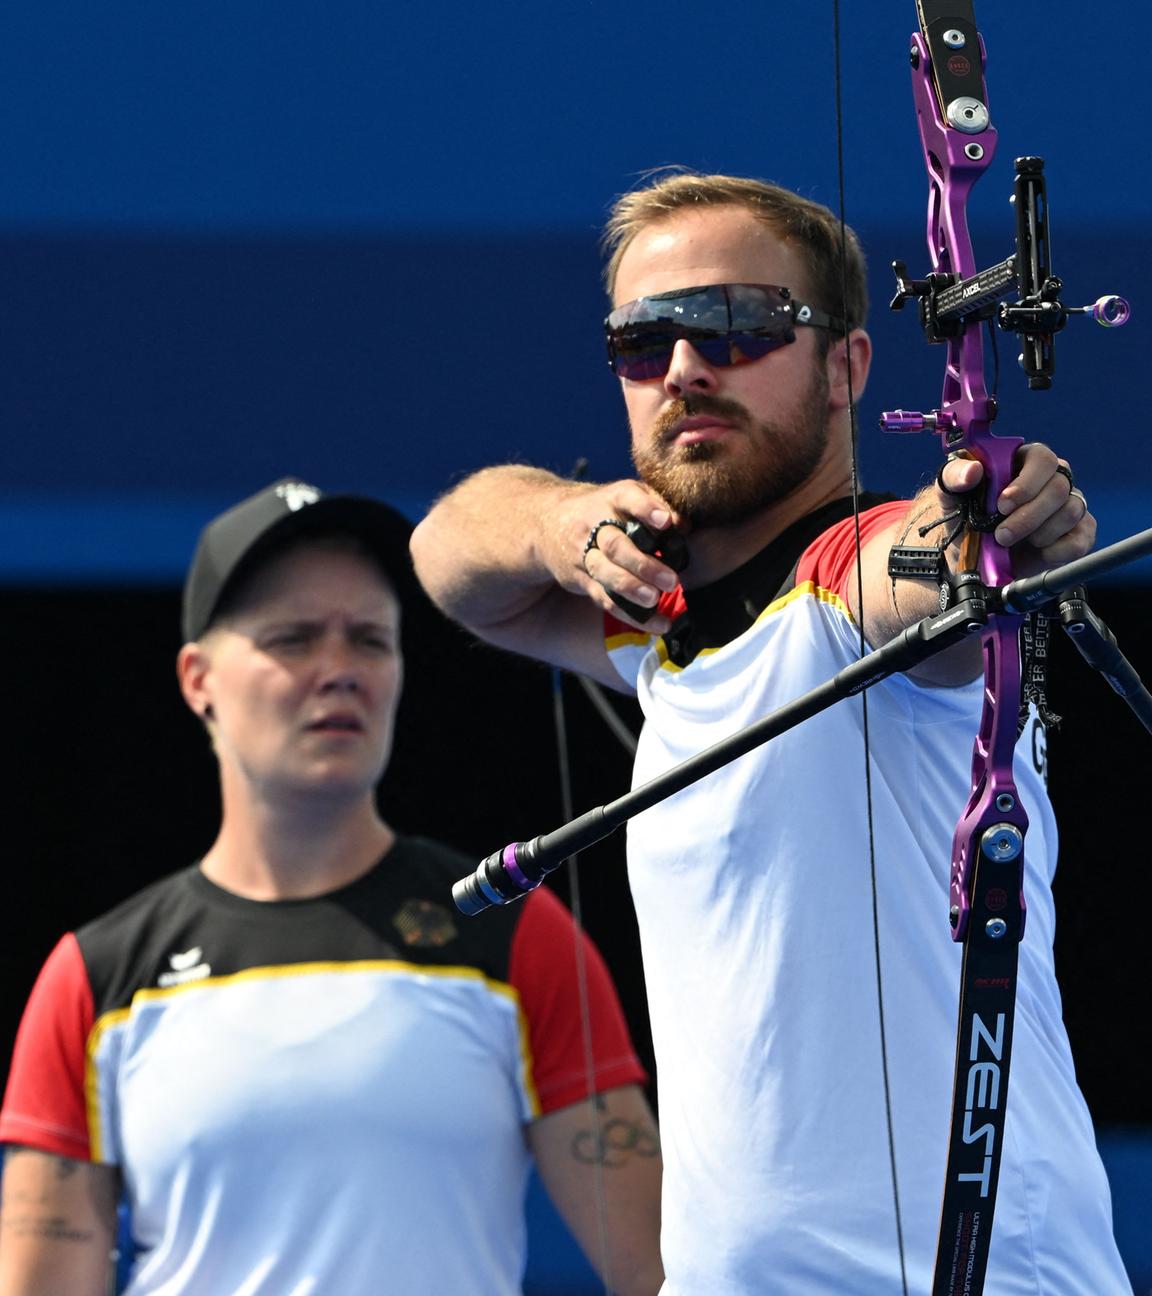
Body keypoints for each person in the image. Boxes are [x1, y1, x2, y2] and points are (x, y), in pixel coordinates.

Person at [409, 172, 1131, 1293]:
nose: (687, 367)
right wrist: (564, 521)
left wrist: (985, 519)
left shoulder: (842, 588)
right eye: (645, 342)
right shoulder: (661, 627)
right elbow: (450, 557)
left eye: (739, 326)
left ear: (848, 366)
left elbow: (923, 571)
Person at [0, 478, 664, 1296]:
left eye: (370, 639)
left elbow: (659, 1273)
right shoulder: (94, 979)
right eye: (293, 638)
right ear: (197, 678)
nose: (339, 671)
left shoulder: (514, 935)